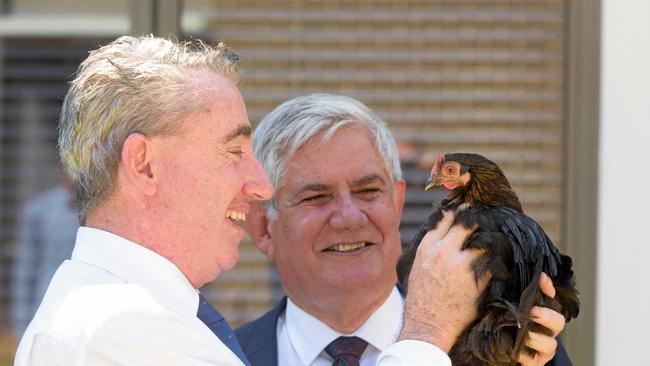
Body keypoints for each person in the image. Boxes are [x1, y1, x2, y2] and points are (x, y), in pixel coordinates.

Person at [235, 93, 571, 366]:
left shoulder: (510, 344)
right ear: (264, 227)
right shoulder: (217, 356)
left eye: (368, 191)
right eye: (316, 197)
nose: (350, 217)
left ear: (397, 204)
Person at [14, 35, 273, 365]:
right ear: (144, 165)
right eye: (234, 151)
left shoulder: (111, 312)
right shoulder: (124, 326)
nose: (262, 186)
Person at [11, 178, 78, 339]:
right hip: (45, 309)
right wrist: (21, 324)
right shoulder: (39, 210)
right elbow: (25, 270)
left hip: (84, 311)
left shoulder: (102, 210)